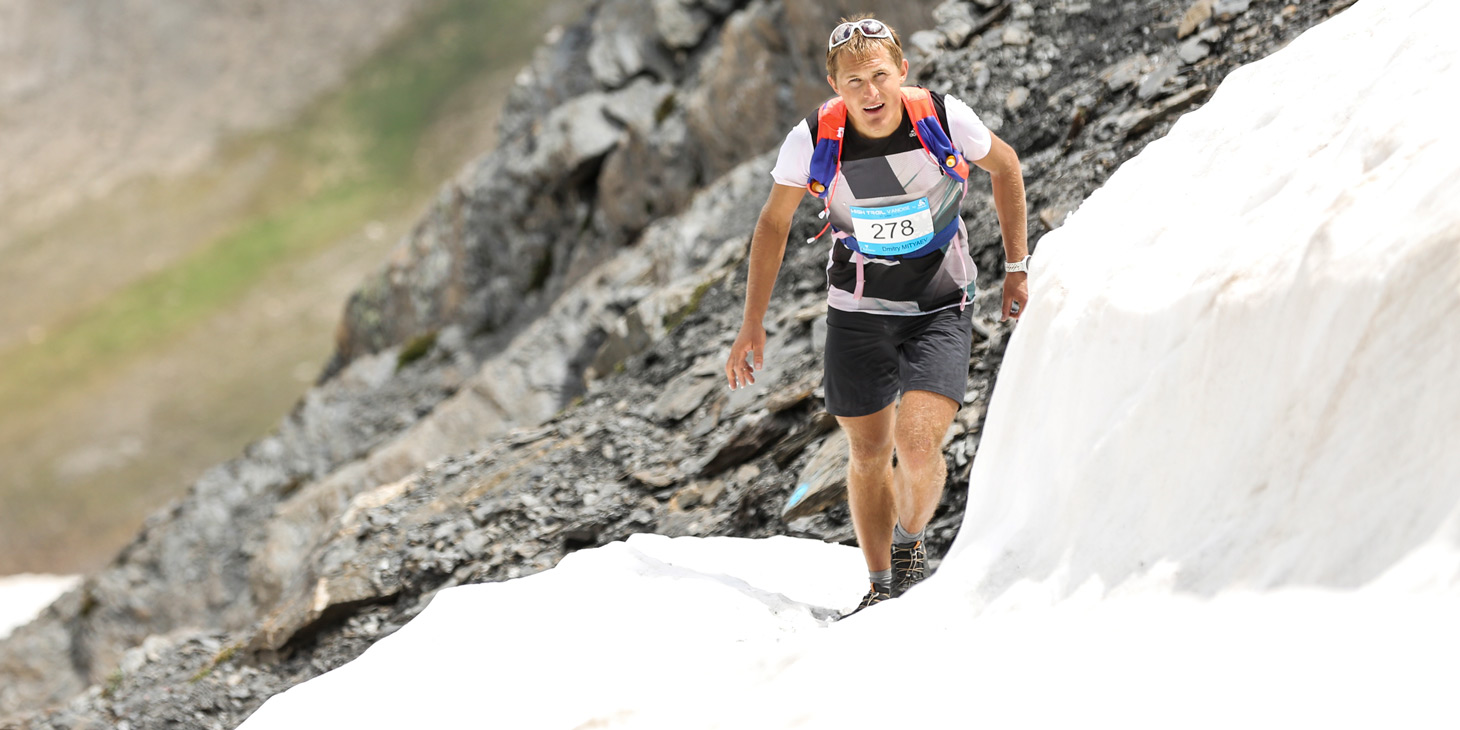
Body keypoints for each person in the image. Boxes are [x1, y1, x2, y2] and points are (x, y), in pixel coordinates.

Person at [723, 14, 1030, 615]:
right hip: (858, 309)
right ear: (834, 83)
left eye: (881, 76)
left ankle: (911, 543)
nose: (870, 92)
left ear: (902, 72)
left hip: (940, 302)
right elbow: (772, 222)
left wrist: (1017, 265)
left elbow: (1008, 166)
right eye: (855, 80)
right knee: (866, 454)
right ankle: (881, 585)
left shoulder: (943, 117)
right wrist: (751, 321)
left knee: (917, 447)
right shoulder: (813, 138)